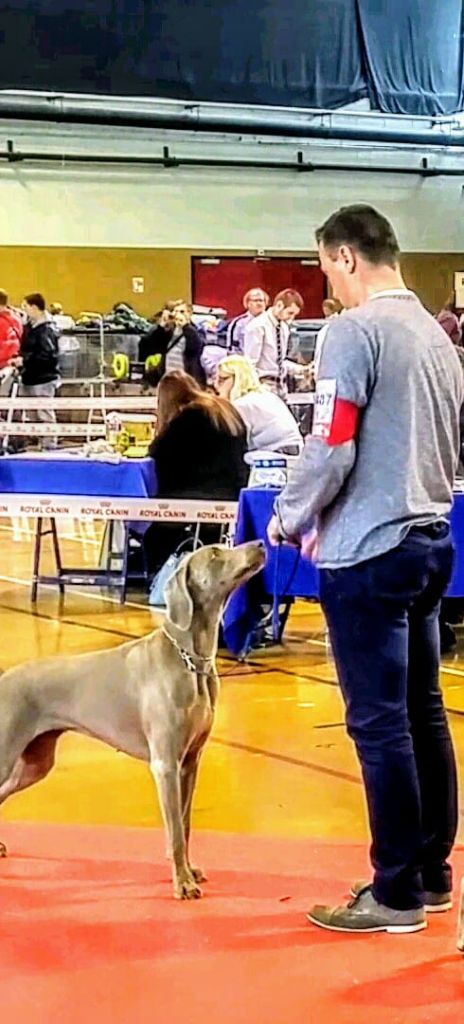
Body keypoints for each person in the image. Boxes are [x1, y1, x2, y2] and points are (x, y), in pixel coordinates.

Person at [268, 203, 463, 935]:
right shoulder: (438, 336)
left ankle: (395, 893)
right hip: (432, 540)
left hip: (370, 555)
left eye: (327, 269)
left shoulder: (353, 332)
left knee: (379, 726)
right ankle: (432, 875)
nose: (330, 285)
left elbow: (332, 445)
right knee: (424, 714)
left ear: (346, 257)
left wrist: (289, 515)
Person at [143, 371, 248, 573]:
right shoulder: (223, 408)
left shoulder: (188, 418)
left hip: (201, 495)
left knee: (154, 535)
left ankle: (157, 578)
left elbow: (158, 455)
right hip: (233, 492)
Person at [215, 355, 303, 455]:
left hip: (276, 452)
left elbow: (234, 446)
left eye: (222, 380)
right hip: (295, 450)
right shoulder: (266, 396)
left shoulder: (241, 405)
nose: (215, 385)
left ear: (238, 379)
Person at [16, 293, 61, 450]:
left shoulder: (47, 329)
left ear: (34, 307)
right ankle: (38, 443)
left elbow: (48, 356)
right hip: (29, 376)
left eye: (25, 306)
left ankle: (49, 445)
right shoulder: (29, 327)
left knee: (44, 413)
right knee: (32, 414)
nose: (23, 310)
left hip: (43, 378)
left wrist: (25, 361)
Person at [243, 288, 304, 397]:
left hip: (281, 386)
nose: (291, 318)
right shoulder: (258, 326)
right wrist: (255, 389)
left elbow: (278, 361)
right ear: (279, 305)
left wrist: (301, 369)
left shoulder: (284, 327)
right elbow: (250, 363)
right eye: (290, 313)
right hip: (263, 385)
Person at [139, 301, 205, 386]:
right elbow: (149, 345)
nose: (178, 315)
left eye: (182, 312)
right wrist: (161, 326)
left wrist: (186, 326)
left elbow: (194, 348)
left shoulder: (196, 330)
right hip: (168, 375)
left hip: (187, 377)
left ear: (189, 313)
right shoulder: (170, 330)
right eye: (176, 311)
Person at [226, 288, 269, 354]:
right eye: (255, 300)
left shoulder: (272, 321)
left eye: (261, 300)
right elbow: (232, 348)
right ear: (248, 303)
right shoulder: (238, 323)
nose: (259, 303)